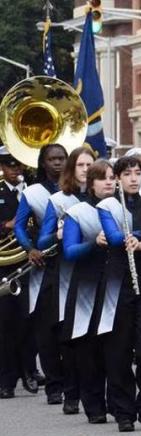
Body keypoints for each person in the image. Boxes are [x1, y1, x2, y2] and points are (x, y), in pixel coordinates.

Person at [97, 156, 141, 432]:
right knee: (119, 350)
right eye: (127, 174)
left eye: (138, 173)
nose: (134, 178)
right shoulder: (108, 206)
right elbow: (115, 239)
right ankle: (124, 411)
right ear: (117, 178)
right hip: (118, 281)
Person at [35, 146, 96, 415]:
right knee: (70, 337)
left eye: (89, 165)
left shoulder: (104, 198)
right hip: (66, 274)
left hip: (99, 274)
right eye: (81, 165)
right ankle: (70, 392)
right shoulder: (60, 200)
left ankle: (93, 392)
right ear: (72, 169)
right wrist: (58, 234)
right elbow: (43, 241)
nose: (85, 170)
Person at [14, 143, 69, 407]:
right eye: (52, 159)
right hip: (44, 265)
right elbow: (20, 226)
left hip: (73, 262)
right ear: (43, 162)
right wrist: (30, 249)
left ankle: (73, 382)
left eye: (61, 158)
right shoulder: (33, 192)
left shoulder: (76, 191)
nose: (57, 163)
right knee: (46, 328)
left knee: (70, 327)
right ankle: (54, 385)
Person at [60, 160, 114, 423]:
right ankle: (94, 406)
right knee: (88, 349)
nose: (109, 183)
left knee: (115, 348)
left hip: (116, 286)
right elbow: (69, 252)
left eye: (112, 178)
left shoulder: (123, 209)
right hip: (87, 287)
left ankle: (117, 401)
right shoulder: (78, 212)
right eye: (102, 178)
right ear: (91, 184)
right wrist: (94, 243)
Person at [0, 149, 35, 399]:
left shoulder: (31, 191)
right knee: (6, 323)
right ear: (2, 167)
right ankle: (7, 379)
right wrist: (7, 225)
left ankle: (29, 372)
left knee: (28, 320)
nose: (16, 170)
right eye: (10, 165)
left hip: (29, 261)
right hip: (5, 264)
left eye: (19, 165)